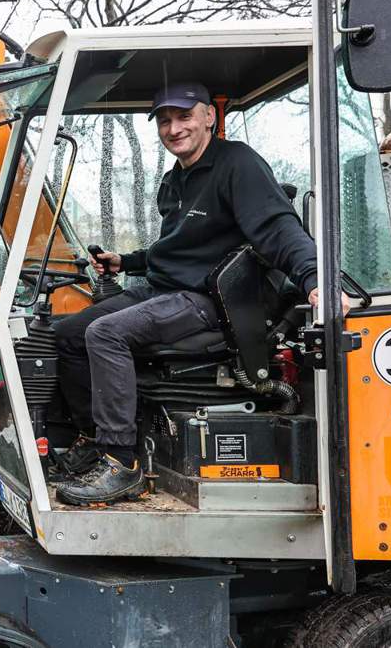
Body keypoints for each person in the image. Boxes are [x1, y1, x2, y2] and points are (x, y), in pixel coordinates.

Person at [53, 82, 348, 506]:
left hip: (212, 301)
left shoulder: (237, 165)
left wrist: (317, 278)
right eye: (165, 121)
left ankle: (122, 463)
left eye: (184, 116)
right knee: (69, 334)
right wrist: (128, 263)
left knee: (105, 334)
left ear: (209, 117)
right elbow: (177, 247)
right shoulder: (176, 180)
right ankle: (97, 440)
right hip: (165, 289)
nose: (174, 128)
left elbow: (278, 229)